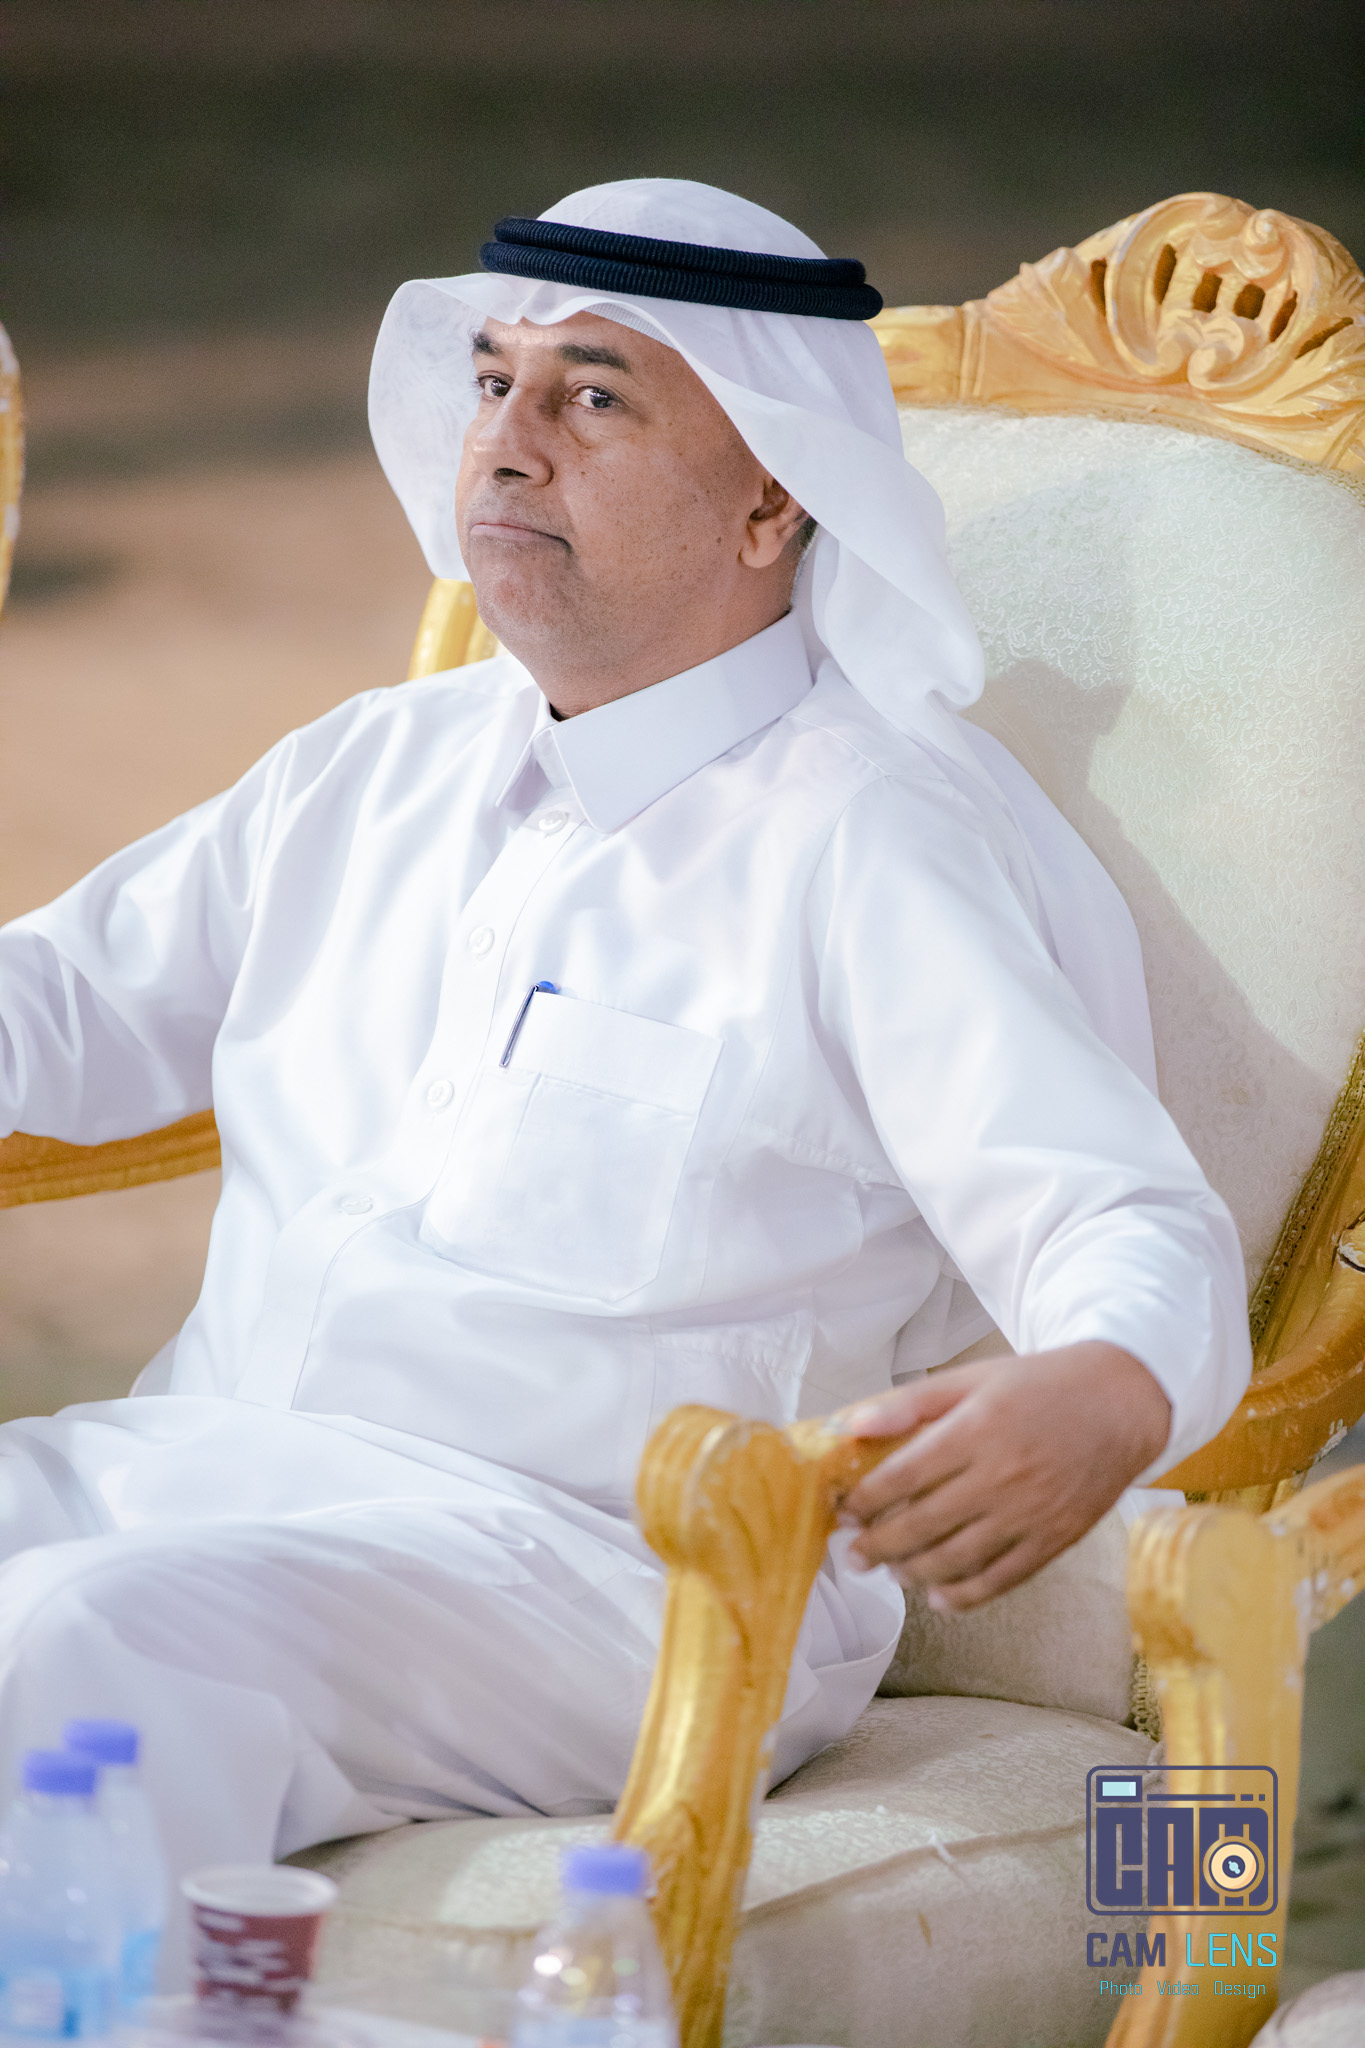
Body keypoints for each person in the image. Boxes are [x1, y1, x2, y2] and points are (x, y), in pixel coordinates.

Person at [0, 180, 1249, 1948]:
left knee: (83, 1645)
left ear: (771, 498)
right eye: (492, 383)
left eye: (592, 395)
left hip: (601, 1576)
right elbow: (55, 1005)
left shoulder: (869, 838)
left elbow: (1120, 1218)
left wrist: (1106, 1384)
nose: (507, 442)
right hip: (210, 1466)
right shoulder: (376, 765)